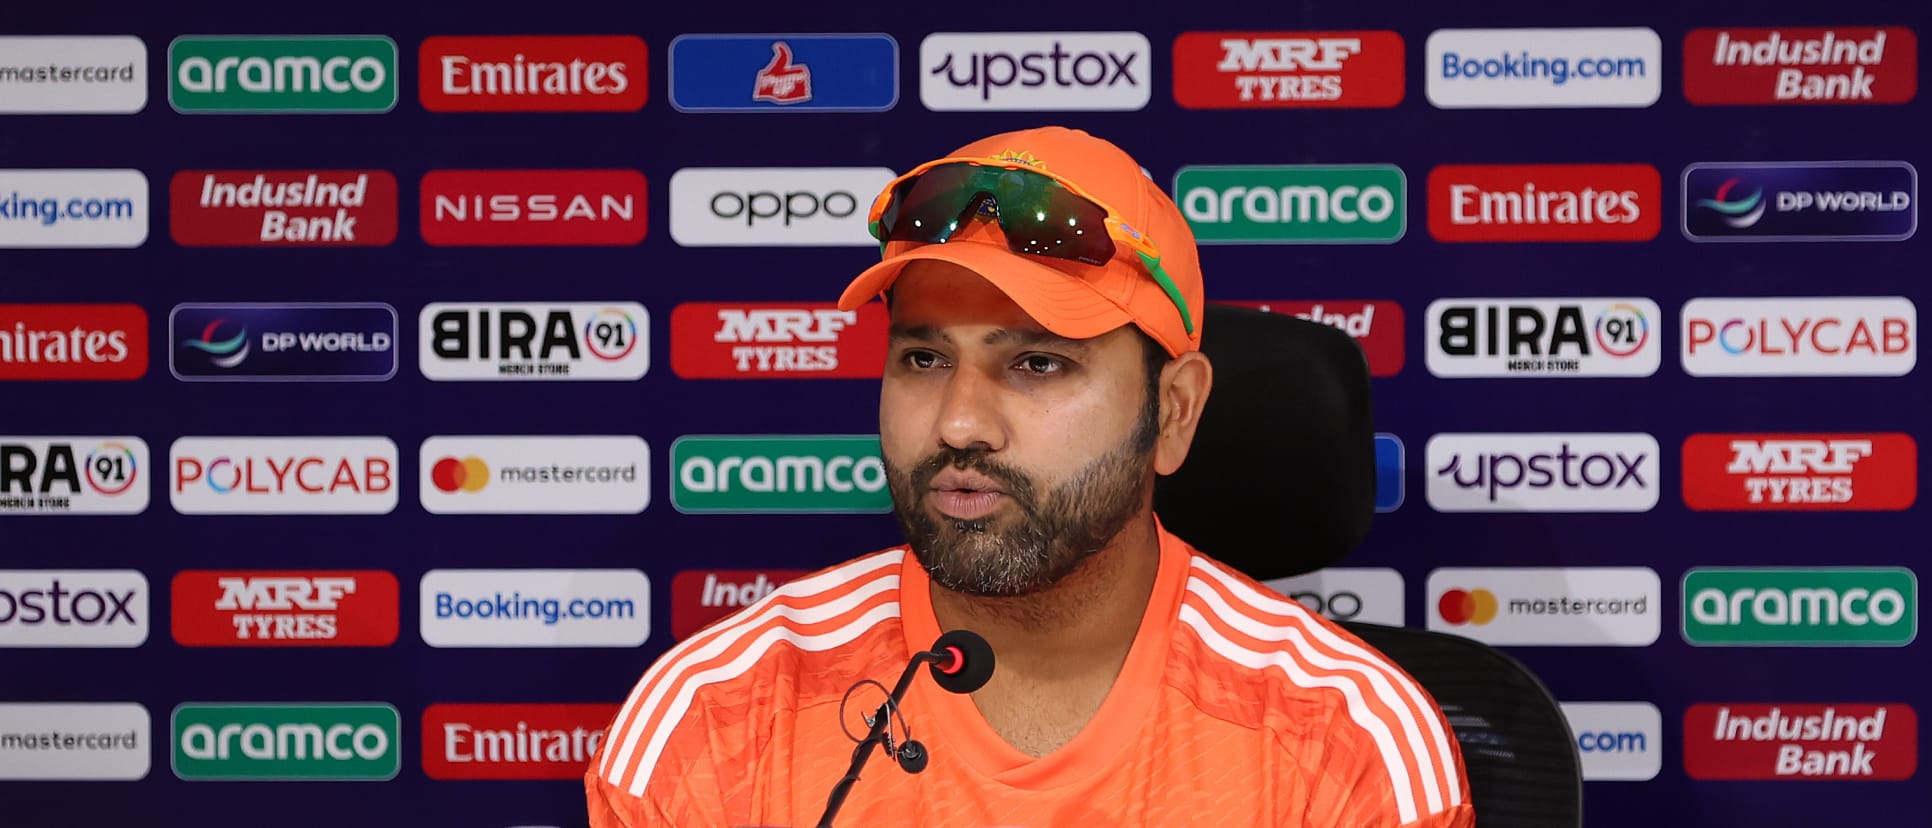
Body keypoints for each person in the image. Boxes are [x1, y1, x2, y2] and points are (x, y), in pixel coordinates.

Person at [585, 126, 1475, 827]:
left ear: (1173, 412)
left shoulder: (1345, 741)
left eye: (1038, 365)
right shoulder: (717, 718)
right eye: (925, 359)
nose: (960, 423)